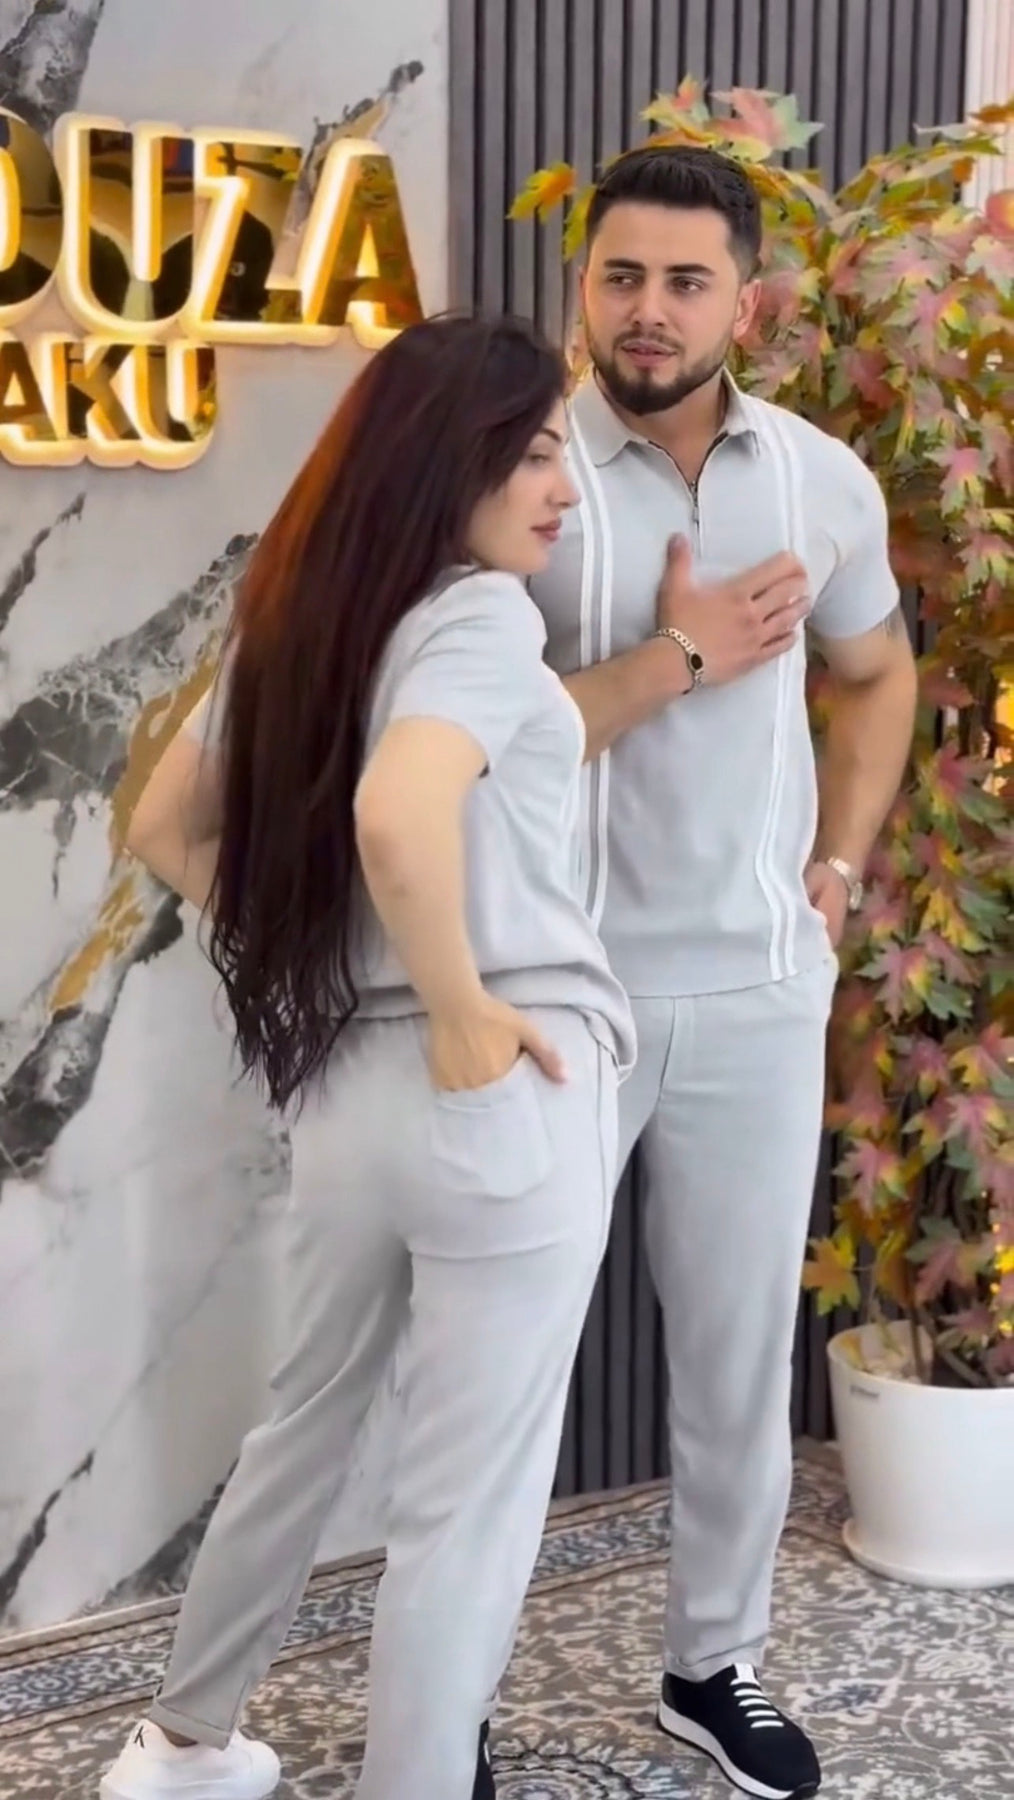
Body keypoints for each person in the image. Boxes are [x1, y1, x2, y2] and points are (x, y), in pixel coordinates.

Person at [100, 313, 636, 1800]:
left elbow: (161, 826)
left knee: (305, 1428)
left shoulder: (304, 614)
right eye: (537, 453)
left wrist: (330, 957)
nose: (564, 487)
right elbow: (398, 811)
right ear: (449, 456)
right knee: (466, 1510)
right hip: (499, 1091)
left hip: (351, 1092)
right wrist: (460, 1004)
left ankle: (183, 1747)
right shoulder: (478, 619)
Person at [523, 146, 918, 1800]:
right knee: (491, 1370)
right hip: (551, 995)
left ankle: (711, 1664)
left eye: (685, 282)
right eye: (620, 275)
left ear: (743, 304)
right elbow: (465, 726)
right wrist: (671, 658)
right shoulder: (519, 470)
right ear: (582, 287)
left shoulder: (820, 481)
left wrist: (835, 867)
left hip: (757, 988)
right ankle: (447, 1689)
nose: (648, 310)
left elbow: (877, 672)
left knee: (738, 1359)